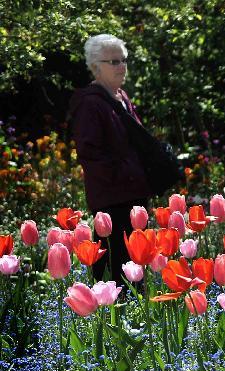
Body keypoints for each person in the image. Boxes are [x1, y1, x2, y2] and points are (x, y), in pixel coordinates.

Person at [69, 34, 152, 284]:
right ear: (96, 66)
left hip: (134, 195)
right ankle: (113, 318)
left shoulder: (122, 97)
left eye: (123, 60)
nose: (121, 66)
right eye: (113, 61)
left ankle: (134, 320)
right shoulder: (90, 104)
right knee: (116, 273)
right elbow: (90, 155)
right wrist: (128, 173)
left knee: (136, 269)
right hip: (113, 200)